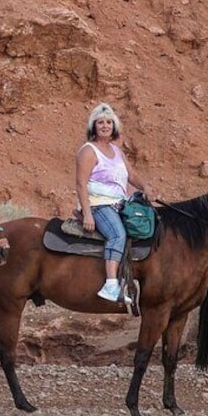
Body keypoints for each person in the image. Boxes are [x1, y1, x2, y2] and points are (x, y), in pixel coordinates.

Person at [75, 103, 154, 304]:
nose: (105, 126)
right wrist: (87, 214)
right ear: (93, 126)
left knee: (145, 226)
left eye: (109, 122)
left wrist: (145, 187)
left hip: (120, 204)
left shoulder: (116, 151)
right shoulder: (89, 151)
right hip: (99, 204)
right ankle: (111, 284)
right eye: (100, 122)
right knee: (117, 234)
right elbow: (81, 183)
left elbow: (132, 175)